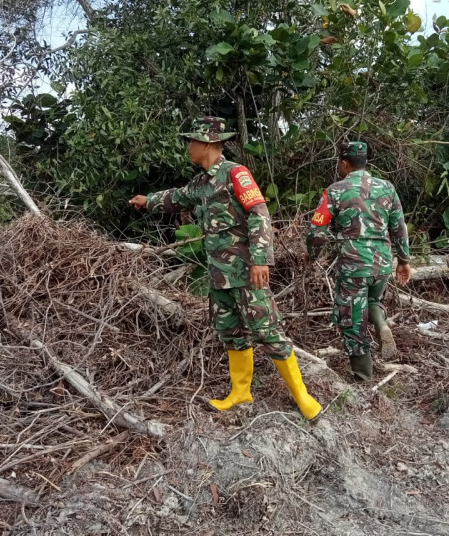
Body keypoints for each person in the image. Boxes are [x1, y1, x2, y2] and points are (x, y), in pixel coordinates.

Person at [129, 117, 322, 421]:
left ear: (207, 143)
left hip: (246, 271)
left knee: (267, 330)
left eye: (192, 141)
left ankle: (302, 396)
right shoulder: (202, 183)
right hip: (220, 275)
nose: (189, 147)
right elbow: (177, 197)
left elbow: (259, 213)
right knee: (231, 332)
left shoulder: (235, 174)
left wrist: (260, 258)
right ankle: (241, 392)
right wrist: (147, 200)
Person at [306, 141, 412, 381]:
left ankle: (362, 375)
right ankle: (381, 324)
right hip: (382, 263)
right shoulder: (387, 188)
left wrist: (312, 256)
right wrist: (403, 261)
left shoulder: (335, 190)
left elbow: (316, 232)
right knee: (373, 299)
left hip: (354, 265)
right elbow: (399, 227)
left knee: (352, 319)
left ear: (344, 163)